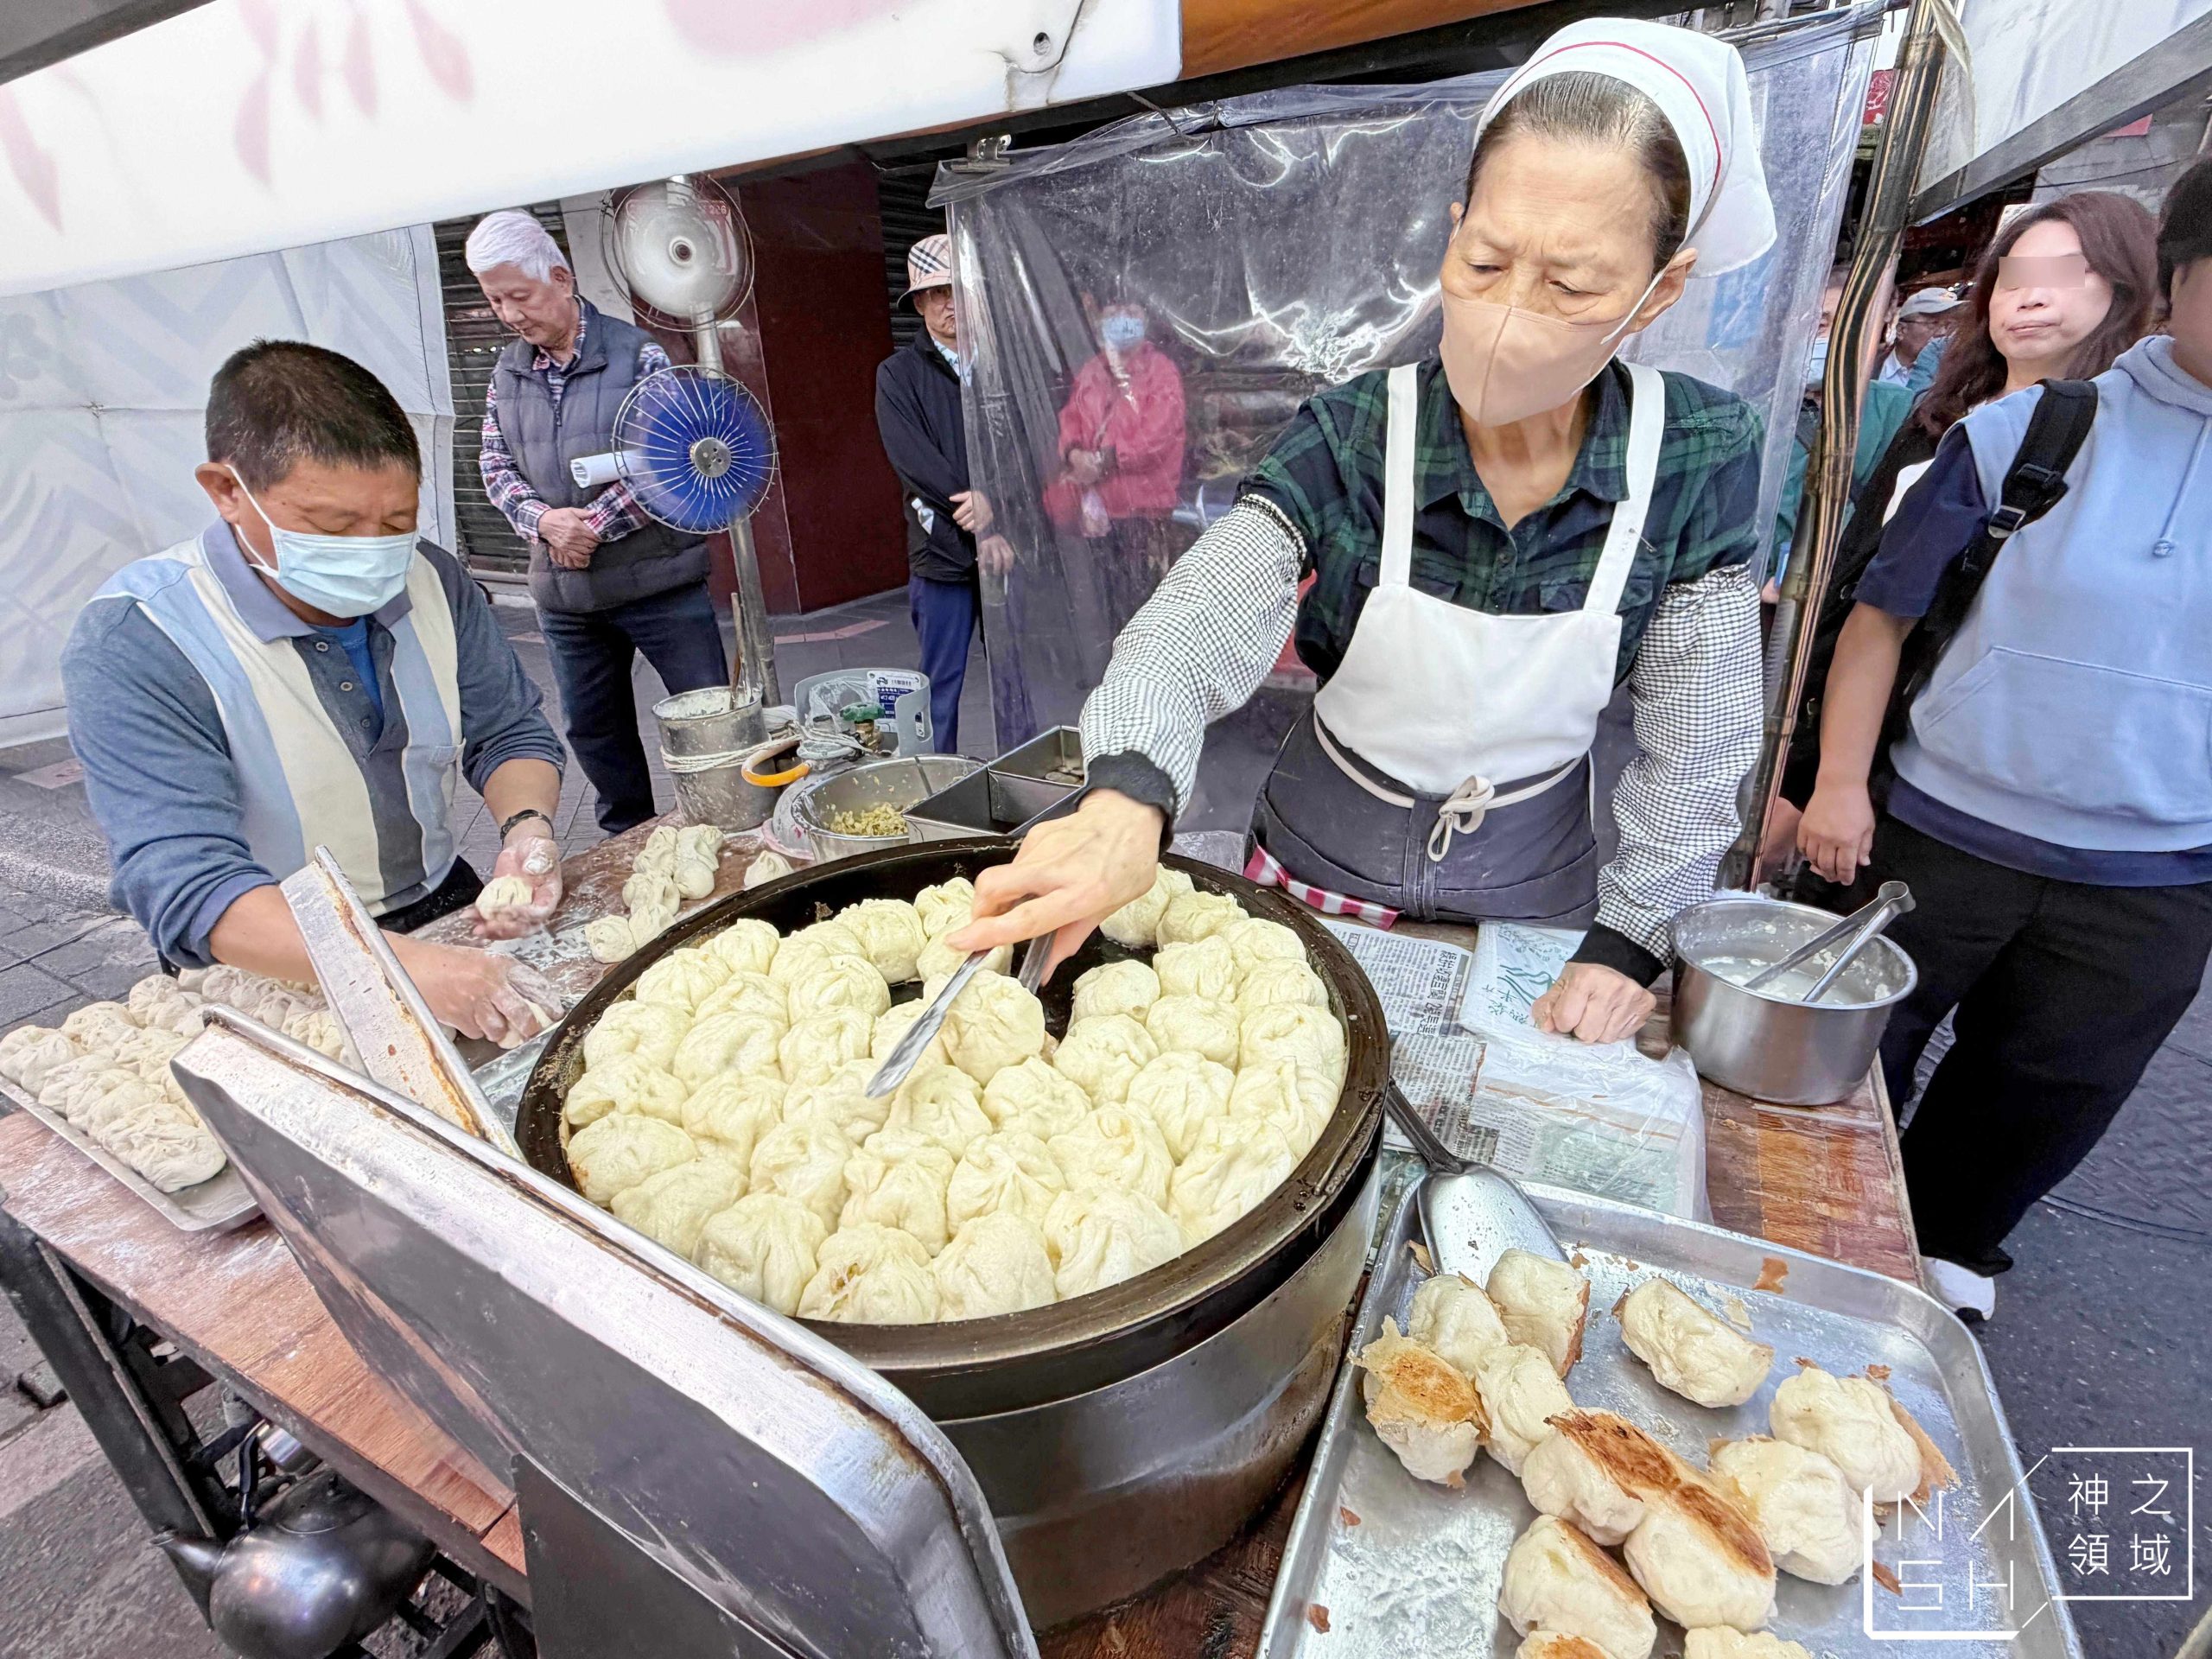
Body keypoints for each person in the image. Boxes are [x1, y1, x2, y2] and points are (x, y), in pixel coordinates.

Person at [956, 19, 1774, 1046]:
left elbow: (1700, 741)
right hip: (1318, 860)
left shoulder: (1694, 453)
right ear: (1451, 227)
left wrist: (1630, 936)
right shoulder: (1356, 433)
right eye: (1483, 261)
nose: (1511, 313)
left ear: (1662, 288)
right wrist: (1126, 792)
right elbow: (1193, 625)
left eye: (1570, 285)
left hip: (1530, 901)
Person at [1791, 160, 2211, 1319]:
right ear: (2174, 281)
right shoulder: (2030, 432)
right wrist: (1834, 785)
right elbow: (1878, 621)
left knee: (2049, 1087)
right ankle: (1815, 1251)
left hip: (2157, 874)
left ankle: (1948, 1252)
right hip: (1944, 830)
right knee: (1857, 1048)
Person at [62, 342, 565, 1045]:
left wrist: (527, 833)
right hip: (269, 966)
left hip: (442, 904)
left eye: (394, 523)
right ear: (227, 491)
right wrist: (404, 970)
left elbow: (507, 731)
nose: (372, 551)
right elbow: (187, 884)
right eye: (333, 527)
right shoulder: (141, 638)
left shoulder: (430, 579)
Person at [1777, 192, 2157, 817]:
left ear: (2126, 289)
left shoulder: (2135, 449)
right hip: (1865, 740)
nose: (2029, 299)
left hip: (2010, 779)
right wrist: (1810, 779)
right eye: (2012, 280)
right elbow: (1858, 593)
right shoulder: (1936, 421)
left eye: (2063, 275)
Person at [467, 209, 728, 836]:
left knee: (708, 715)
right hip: (567, 595)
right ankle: (629, 838)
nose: (510, 315)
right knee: (593, 725)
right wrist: (545, 523)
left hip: (659, 581)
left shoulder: (638, 354)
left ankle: (729, 824)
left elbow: (672, 459)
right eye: (495, 301)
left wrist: (590, 529)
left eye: (519, 296)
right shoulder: (509, 371)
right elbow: (494, 463)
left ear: (560, 277)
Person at [873, 234, 1011, 753]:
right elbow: (912, 457)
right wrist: (973, 506)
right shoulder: (898, 374)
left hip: (1008, 550)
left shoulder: (1003, 366)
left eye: (957, 289)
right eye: (934, 294)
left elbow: (1027, 444)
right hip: (941, 552)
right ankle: (938, 791)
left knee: (1017, 678)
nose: (948, 303)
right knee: (939, 686)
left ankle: (1030, 784)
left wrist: (998, 503)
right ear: (920, 305)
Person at [1042, 296, 1190, 638]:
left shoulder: (1162, 371)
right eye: (1113, 313)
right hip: (1102, 509)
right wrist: (1075, 453)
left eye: (1132, 312)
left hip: (1144, 509)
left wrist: (1104, 461)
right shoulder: (1093, 369)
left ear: (1146, 319)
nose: (1123, 320)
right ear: (1099, 322)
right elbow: (1072, 419)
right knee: (1108, 597)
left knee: (1147, 600)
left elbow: (1158, 436)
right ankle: (1116, 671)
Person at [1767, 263, 1916, 592]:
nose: (1834, 339)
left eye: (1854, 326)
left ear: (1881, 333)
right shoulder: (1760, 407)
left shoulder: (1901, 412)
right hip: (1751, 601)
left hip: (1841, 599)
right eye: (1821, 324)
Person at [1876, 287, 1961, 386]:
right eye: (1933, 323)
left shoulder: (1954, 377)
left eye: (1948, 325)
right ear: (1901, 330)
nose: (1943, 332)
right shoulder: (1867, 364)